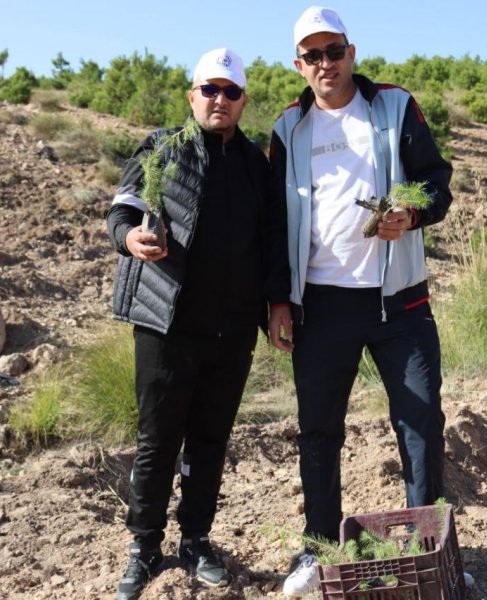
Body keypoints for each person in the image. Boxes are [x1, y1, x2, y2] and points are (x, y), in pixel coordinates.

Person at [269, 7, 453, 596]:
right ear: (299, 65)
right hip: (321, 307)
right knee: (318, 432)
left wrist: (412, 214)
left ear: (352, 53)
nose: (325, 63)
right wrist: (278, 300)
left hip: (399, 304)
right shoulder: (287, 128)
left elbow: (437, 183)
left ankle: (430, 551)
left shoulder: (395, 106)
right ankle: (319, 550)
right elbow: (274, 224)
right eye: (313, 55)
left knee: (420, 422)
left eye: (334, 51)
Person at [106, 48, 290, 600]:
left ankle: (196, 540)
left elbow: (272, 242)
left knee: (210, 441)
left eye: (230, 92)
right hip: (166, 325)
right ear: (192, 96)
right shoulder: (162, 148)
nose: (219, 100)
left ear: (243, 101)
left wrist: (276, 304)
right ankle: (144, 546)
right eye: (209, 89)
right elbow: (121, 210)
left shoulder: (256, 165)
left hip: (231, 331)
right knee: (157, 441)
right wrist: (130, 238)